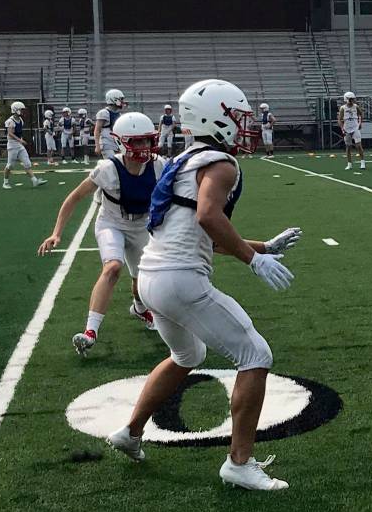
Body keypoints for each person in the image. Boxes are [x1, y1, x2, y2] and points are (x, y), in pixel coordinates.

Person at [105, 78, 301, 491]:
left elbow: (201, 232)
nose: (244, 124)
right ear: (218, 116)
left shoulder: (186, 158)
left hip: (152, 277)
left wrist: (263, 245)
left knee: (187, 353)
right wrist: (253, 260)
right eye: (238, 116)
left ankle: (131, 432)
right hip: (179, 279)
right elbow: (209, 218)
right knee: (255, 353)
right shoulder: (221, 164)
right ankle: (239, 463)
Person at [38, 113, 164, 356]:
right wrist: (56, 233)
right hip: (111, 223)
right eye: (136, 142)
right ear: (121, 142)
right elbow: (74, 197)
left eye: (147, 141)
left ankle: (139, 309)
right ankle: (90, 332)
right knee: (113, 267)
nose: (143, 147)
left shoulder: (159, 165)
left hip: (141, 225)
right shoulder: (108, 169)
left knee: (143, 280)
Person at [2, 101, 47, 189]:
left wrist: (21, 140)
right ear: (16, 110)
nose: (23, 112)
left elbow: (18, 133)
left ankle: (34, 181)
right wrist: (20, 140)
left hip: (19, 144)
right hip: (12, 145)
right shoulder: (10, 121)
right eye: (21, 110)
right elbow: (10, 134)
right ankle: (5, 182)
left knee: (27, 163)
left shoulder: (20, 120)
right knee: (10, 165)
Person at [95, 89, 126, 160]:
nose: (122, 102)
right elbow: (97, 130)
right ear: (114, 99)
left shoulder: (118, 114)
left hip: (115, 144)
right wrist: (97, 146)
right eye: (120, 99)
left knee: (118, 165)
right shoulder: (104, 113)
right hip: (106, 143)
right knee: (112, 165)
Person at [338, 92, 366, 170]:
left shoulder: (356, 106)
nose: (352, 101)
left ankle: (362, 162)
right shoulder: (343, 108)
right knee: (348, 146)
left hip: (355, 127)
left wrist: (360, 123)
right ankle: (349, 163)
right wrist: (342, 128)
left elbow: (361, 114)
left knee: (358, 145)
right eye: (350, 99)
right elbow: (340, 119)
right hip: (347, 129)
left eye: (352, 99)